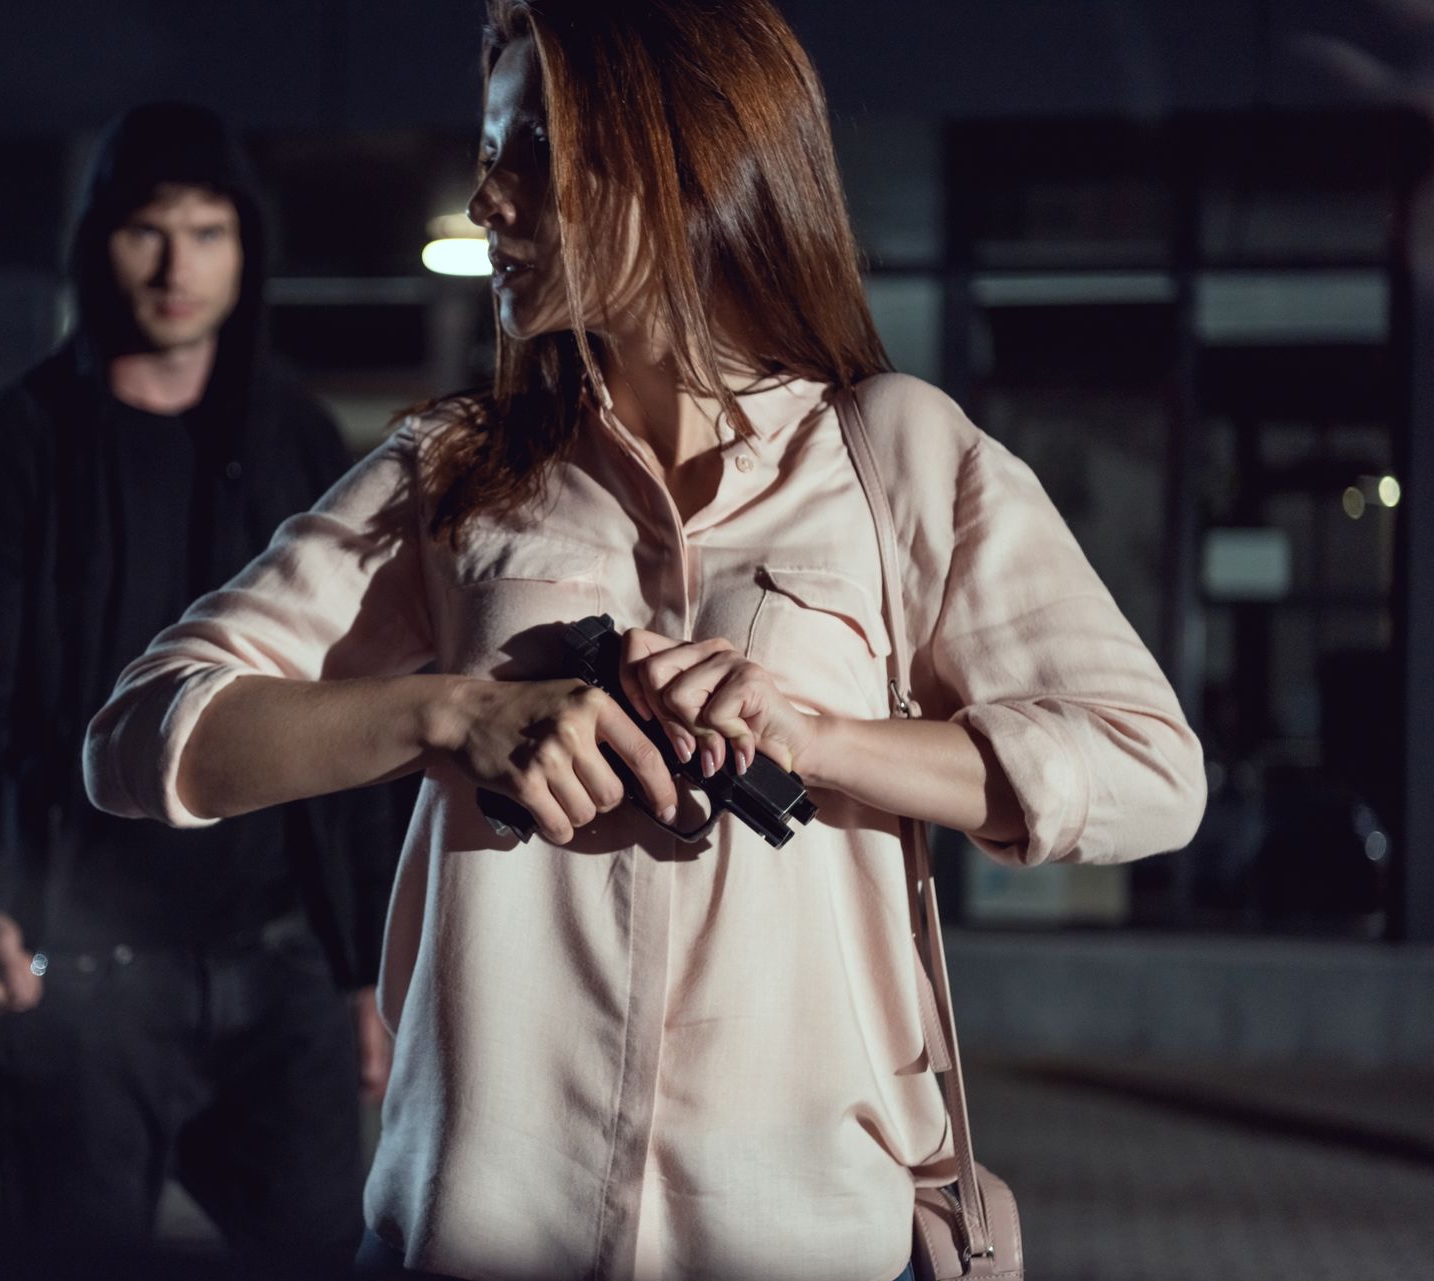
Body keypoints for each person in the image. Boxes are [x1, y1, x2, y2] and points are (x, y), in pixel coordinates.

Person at [83, 5, 1207, 1279]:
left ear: (679, 161)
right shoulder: (454, 474)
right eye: (491, 152)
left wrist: (820, 738)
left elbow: (1148, 776)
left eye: (533, 155)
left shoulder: (895, 456)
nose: (487, 197)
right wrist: (451, 718)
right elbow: (134, 738)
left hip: (806, 1244)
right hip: (480, 1236)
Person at [0, 101, 394, 1273]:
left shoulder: (297, 436)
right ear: (100, 242)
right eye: (148, 230)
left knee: (333, 1251)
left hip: (279, 968)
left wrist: (369, 969)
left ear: (246, 249)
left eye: (208, 231)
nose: (178, 266)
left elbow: (357, 702)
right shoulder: (25, 435)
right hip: (83, 973)